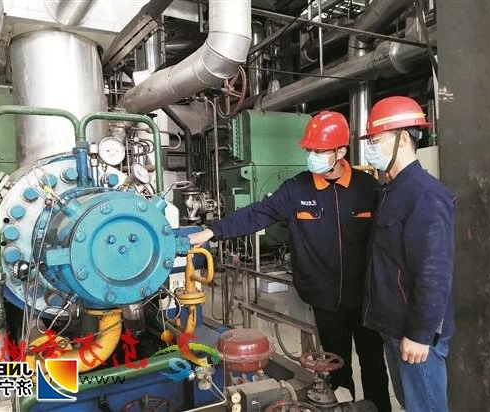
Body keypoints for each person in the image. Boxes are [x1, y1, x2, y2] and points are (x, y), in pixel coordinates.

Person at [189, 111, 391, 411]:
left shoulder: (367, 188)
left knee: (374, 364)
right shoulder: (296, 189)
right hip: (324, 300)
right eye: (310, 150)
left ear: (340, 152)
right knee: (336, 367)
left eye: (319, 151)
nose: (312, 157)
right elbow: (257, 213)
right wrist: (212, 231)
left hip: (367, 298)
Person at [360, 96, 455, 411]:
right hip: (394, 328)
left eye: (375, 140)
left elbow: (434, 273)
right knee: (409, 402)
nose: (370, 148)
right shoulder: (391, 191)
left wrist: (420, 334)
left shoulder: (425, 195)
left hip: (414, 334)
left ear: (402, 139)